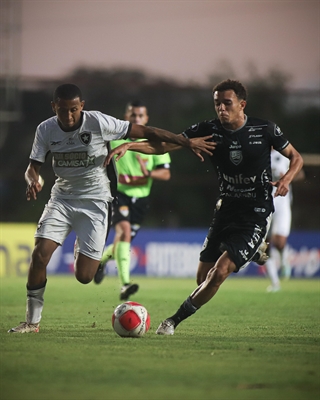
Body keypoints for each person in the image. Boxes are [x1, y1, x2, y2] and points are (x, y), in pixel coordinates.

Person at [8, 83, 215, 333]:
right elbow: (33, 167)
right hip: (62, 199)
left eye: (74, 109)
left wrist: (184, 141)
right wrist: (31, 181)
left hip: (96, 202)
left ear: (82, 106)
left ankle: (80, 247)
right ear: (54, 107)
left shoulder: (98, 122)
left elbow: (145, 131)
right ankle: (32, 322)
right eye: (63, 110)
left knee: (85, 276)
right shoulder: (45, 129)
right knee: (39, 255)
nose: (69, 115)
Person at [106, 79, 303, 335]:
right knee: (202, 279)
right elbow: (166, 145)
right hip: (226, 209)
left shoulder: (265, 129)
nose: (221, 108)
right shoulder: (208, 130)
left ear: (242, 105)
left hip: (255, 212)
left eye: (227, 103)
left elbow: (296, 158)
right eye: (217, 103)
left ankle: (172, 321)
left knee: (219, 273)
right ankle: (253, 252)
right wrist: (132, 145)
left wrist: (286, 179)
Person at [94, 100, 171, 301]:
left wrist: (148, 174)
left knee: (123, 241)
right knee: (124, 232)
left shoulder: (153, 144)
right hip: (119, 195)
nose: (136, 119)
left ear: (146, 119)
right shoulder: (114, 139)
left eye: (140, 116)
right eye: (132, 115)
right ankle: (125, 284)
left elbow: (165, 174)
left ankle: (100, 262)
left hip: (141, 200)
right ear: (126, 117)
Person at [265, 149, 305, 292]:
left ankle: (283, 260)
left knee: (279, 241)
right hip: (264, 204)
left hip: (282, 203)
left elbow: (300, 174)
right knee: (264, 246)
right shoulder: (258, 154)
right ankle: (275, 283)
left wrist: (287, 177)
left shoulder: (285, 155)